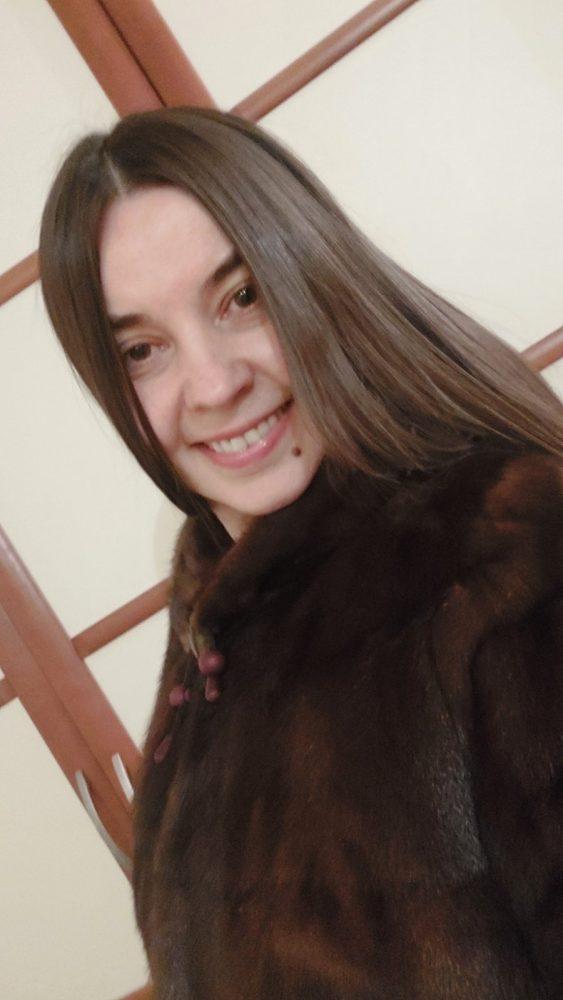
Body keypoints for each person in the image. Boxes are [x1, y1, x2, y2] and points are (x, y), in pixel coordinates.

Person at [39, 107, 563, 999]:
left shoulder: (508, 562)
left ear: (314, 275)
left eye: (241, 298)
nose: (213, 384)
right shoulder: (219, 597)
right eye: (142, 350)